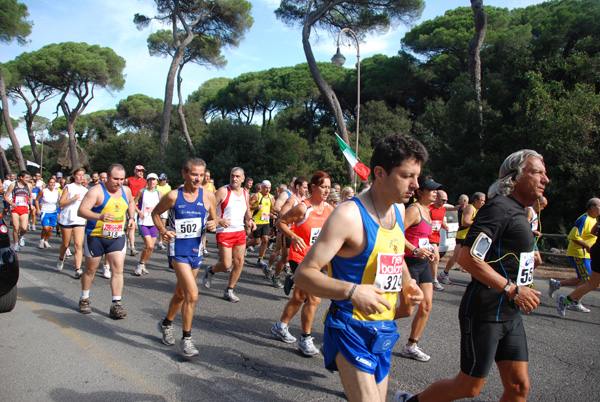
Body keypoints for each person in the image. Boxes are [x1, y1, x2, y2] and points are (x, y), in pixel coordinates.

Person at [395, 149, 548, 402]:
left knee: (519, 387)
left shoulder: (520, 210)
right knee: (468, 387)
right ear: (515, 177)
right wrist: (513, 289)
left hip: (510, 313)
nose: (546, 179)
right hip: (485, 311)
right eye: (537, 173)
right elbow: (467, 258)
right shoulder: (499, 207)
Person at [294, 133, 426, 402]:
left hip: (384, 329)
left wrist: (408, 283)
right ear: (380, 173)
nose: (416, 184)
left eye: (417, 176)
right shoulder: (348, 215)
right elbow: (304, 274)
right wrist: (353, 291)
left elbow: (394, 256)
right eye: (406, 175)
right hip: (350, 328)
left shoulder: (399, 210)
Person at [153, 157, 217, 357]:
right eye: (193, 175)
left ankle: (165, 323)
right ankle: (186, 340)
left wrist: (214, 225)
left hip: (196, 251)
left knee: (180, 294)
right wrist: (163, 230)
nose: (198, 179)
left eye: (201, 175)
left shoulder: (208, 197)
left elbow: (213, 220)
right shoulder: (173, 196)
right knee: (192, 295)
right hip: (177, 250)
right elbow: (155, 214)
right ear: (184, 174)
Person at [271, 171, 334, 356]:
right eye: (323, 187)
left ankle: (280, 327)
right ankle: (305, 339)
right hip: (300, 258)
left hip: (318, 260)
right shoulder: (302, 208)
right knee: (314, 299)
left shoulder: (329, 209)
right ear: (313, 187)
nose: (326, 191)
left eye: (329, 188)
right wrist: (293, 235)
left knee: (299, 297)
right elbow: (281, 222)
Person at [77, 163, 136, 318]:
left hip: (116, 237)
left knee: (118, 268)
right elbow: (81, 211)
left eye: (122, 179)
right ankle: (84, 297)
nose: (119, 182)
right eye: (115, 179)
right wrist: (99, 216)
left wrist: (131, 218)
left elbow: (131, 202)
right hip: (96, 236)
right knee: (91, 269)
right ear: (108, 177)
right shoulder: (96, 191)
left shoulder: (126, 190)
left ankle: (116, 304)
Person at [400, 176, 441, 362]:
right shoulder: (414, 210)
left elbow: (422, 237)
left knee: (426, 306)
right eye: (431, 189)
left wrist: (429, 250)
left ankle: (411, 345)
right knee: (408, 309)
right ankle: (371, 324)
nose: (435, 192)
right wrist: (415, 249)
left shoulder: (428, 210)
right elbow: (396, 234)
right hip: (409, 263)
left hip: (423, 263)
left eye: (435, 189)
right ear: (420, 192)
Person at [203, 167, 256, 302]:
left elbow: (247, 210)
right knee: (226, 264)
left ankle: (229, 290)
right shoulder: (222, 191)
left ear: (243, 179)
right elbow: (210, 209)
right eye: (232, 176)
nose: (234, 179)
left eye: (238, 176)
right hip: (224, 231)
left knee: (239, 263)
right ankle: (211, 271)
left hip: (239, 230)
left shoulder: (245, 193)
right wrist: (219, 220)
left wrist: (250, 220)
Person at [548, 197, 600, 312]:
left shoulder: (594, 220)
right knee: (587, 280)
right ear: (592, 207)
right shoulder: (583, 219)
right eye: (599, 206)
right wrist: (587, 246)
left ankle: (558, 285)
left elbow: (592, 232)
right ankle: (574, 302)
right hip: (580, 253)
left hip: (589, 254)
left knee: (586, 280)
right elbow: (573, 235)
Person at [265, 176, 308, 289]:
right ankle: (276, 276)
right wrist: (293, 216)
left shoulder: (304, 200)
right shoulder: (291, 199)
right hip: (287, 231)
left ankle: (295, 279)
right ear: (298, 187)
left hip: (298, 233)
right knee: (285, 256)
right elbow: (281, 212)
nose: (306, 190)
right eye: (305, 187)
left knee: (298, 257)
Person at [438, 192, 486, 285]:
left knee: (472, 258)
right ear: (476, 200)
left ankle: (475, 278)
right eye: (482, 200)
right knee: (456, 257)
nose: (484, 202)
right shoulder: (470, 208)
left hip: (469, 236)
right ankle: (444, 273)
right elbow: (465, 222)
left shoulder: (476, 209)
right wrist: (478, 223)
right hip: (462, 236)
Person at [557, 220, 599, 316]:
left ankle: (565, 300)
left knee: (593, 285)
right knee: (592, 284)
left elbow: (593, 231)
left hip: (596, 249)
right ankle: (565, 300)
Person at [56, 168, 89, 277]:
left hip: (79, 219)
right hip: (67, 218)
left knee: (78, 244)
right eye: (79, 175)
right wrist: (73, 199)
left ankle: (78, 269)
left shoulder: (85, 190)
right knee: (66, 244)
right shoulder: (68, 187)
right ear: (74, 176)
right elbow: (61, 203)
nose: (81, 177)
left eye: (82, 175)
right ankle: (61, 258)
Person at [133, 173, 162, 276]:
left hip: (154, 223)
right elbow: (133, 203)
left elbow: (162, 206)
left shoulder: (159, 193)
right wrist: (139, 212)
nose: (151, 182)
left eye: (154, 180)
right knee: (148, 245)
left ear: (157, 181)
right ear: (147, 181)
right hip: (143, 222)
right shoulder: (142, 192)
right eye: (150, 180)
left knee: (151, 247)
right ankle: (140, 265)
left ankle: (142, 264)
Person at [246, 180, 275, 268]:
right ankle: (244, 246)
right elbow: (247, 206)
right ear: (262, 188)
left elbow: (272, 209)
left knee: (265, 239)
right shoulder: (257, 196)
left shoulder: (271, 197)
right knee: (256, 241)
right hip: (257, 222)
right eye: (266, 188)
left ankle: (260, 259)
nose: (267, 190)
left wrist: (272, 214)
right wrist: (256, 207)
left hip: (266, 222)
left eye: (269, 188)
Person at [4, 170, 33, 251]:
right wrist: (11, 203)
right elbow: (5, 196)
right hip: (15, 209)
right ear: (20, 177)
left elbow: (30, 196)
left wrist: (31, 204)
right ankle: (16, 244)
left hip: (24, 208)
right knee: (16, 227)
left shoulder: (29, 186)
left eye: (28, 177)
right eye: (26, 177)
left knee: (24, 228)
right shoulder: (13, 185)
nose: (28, 179)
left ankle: (21, 236)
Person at [429, 189, 449, 291]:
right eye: (443, 200)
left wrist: (445, 226)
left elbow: (440, 221)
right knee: (436, 256)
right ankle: (434, 280)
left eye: (446, 200)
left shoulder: (443, 210)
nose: (445, 202)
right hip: (428, 237)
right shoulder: (429, 208)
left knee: (431, 258)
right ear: (436, 198)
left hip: (436, 237)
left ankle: (429, 279)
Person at [125, 165, 147, 256]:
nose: (141, 172)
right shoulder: (128, 180)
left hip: (141, 205)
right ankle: (131, 245)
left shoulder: (145, 181)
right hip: (130, 204)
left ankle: (130, 243)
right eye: (139, 171)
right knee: (131, 226)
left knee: (135, 226)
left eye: (142, 171)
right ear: (135, 171)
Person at [35, 177, 59, 249]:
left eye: (53, 183)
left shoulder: (57, 192)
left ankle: (46, 241)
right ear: (48, 183)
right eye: (51, 182)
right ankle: (41, 240)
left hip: (54, 212)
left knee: (51, 228)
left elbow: (59, 201)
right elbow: (37, 200)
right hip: (45, 211)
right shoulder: (43, 191)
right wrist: (38, 209)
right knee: (46, 228)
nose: (52, 184)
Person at [526, 196, 547, 267]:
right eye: (543, 206)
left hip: (534, 239)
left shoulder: (535, 213)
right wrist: (534, 232)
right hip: (529, 238)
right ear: (538, 203)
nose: (543, 208)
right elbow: (524, 226)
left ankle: (529, 273)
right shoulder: (530, 211)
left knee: (538, 261)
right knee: (536, 259)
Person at [156, 173, 172, 250]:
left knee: (163, 224)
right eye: (159, 180)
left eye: (162, 180)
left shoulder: (168, 187)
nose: (160, 181)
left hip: (164, 207)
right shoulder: (156, 186)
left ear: (165, 180)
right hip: (155, 207)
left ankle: (160, 242)